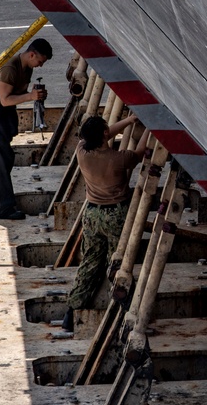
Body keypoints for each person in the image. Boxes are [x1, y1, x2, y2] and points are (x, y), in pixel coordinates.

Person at [63, 113, 150, 331]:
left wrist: (129, 121)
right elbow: (139, 154)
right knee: (117, 264)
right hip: (115, 216)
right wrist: (150, 127)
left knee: (89, 262)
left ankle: (72, 311)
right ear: (104, 134)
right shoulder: (119, 159)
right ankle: (118, 312)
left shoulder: (82, 151)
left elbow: (103, 134)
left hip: (91, 214)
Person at [0, 38, 51, 220]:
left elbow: (15, 95)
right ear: (31, 54)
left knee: (5, 158)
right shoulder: (10, 68)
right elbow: (5, 99)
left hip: (3, 112)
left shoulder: (27, 67)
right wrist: (30, 96)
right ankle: (2, 209)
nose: (39, 66)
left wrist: (34, 94)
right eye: (39, 61)